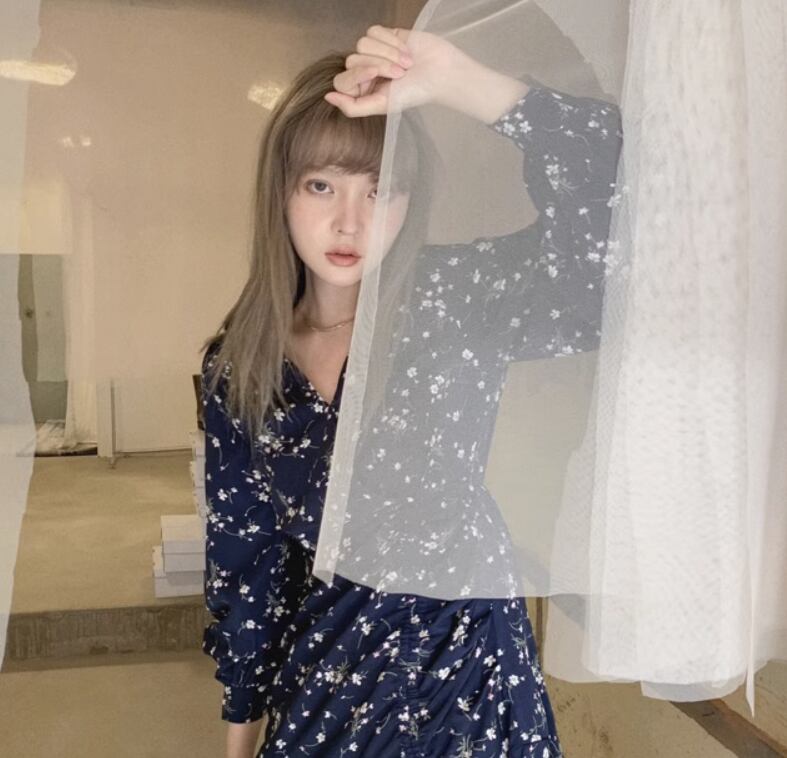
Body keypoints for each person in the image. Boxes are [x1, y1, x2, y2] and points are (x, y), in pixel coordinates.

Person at [200, 24, 622, 758]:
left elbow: (611, 215)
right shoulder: (238, 366)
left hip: (471, 676)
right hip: (330, 678)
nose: (350, 222)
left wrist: (461, 82)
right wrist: (240, 736)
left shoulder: (456, 300)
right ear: (281, 191)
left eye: (380, 190)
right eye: (322, 185)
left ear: (410, 200)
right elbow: (248, 559)